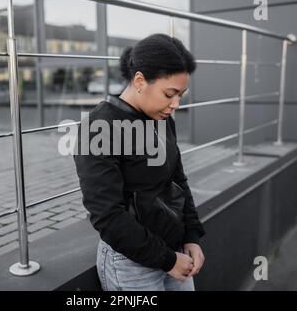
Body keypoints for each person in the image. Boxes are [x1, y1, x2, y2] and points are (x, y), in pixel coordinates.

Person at [73, 33, 205, 291]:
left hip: (176, 253)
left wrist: (192, 235)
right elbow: (107, 216)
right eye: (170, 94)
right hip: (130, 266)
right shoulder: (100, 126)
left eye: (181, 95)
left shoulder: (162, 118)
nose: (175, 104)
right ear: (140, 80)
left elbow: (177, 180)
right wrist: (167, 260)